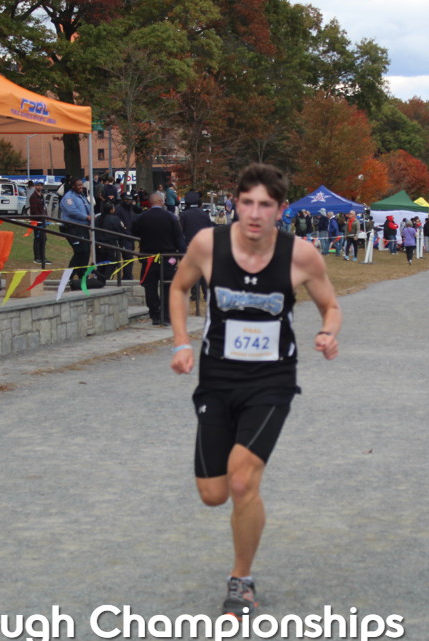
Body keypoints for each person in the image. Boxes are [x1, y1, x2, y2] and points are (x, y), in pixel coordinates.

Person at [168, 162, 341, 616]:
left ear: (281, 210)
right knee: (213, 493)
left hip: (271, 380)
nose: (255, 213)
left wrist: (328, 332)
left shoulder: (301, 255)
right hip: (217, 379)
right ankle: (239, 539)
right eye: (247, 202)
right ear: (235, 204)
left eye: (266, 205)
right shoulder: (208, 245)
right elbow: (179, 288)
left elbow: (331, 305)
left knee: (243, 480)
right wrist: (182, 342)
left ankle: (240, 580)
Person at [132, 190, 185, 325]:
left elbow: (134, 231)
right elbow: (179, 238)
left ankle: (155, 314)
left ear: (150, 203)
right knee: (168, 286)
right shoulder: (170, 217)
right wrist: (182, 255)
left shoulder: (142, 217)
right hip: (168, 257)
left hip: (148, 257)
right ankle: (166, 316)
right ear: (161, 201)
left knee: (150, 287)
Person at [59, 177, 93, 281]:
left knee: (86, 252)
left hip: (83, 227)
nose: (81, 187)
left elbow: (88, 208)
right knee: (80, 251)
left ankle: (83, 276)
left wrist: (92, 217)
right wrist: (86, 217)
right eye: (78, 185)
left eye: (81, 185)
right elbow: (72, 211)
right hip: (72, 228)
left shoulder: (82, 196)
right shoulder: (68, 197)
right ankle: (68, 276)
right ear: (73, 186)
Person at [28, 181, 48, 264]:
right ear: (35, 186)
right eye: (38, 185)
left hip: (43, 220)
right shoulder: (33, 197)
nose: (40, 187)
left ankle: (42, 256)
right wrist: (40, 219)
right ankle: (37, 257)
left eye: (41, 185)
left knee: (43, 239)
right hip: (37, 221)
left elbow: (44, 208)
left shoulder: (41, 196)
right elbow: (34, 211)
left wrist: (46, 217)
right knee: (38, 239)